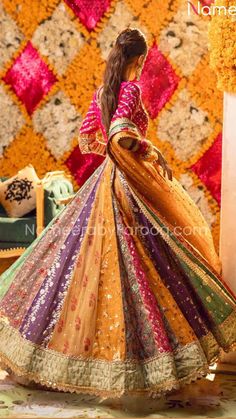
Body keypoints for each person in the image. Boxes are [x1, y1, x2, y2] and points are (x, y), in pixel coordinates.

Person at [0, 28, 235, 399]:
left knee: (87, 268)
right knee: (144, 266)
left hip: (107, 179)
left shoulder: (103, 92)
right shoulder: (131, 89)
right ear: (139, 60)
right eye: (143, 60)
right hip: (127, 186)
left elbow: (88, 136)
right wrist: (148, 152)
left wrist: (117, 151)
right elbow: (117, 134)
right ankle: (140, 366)